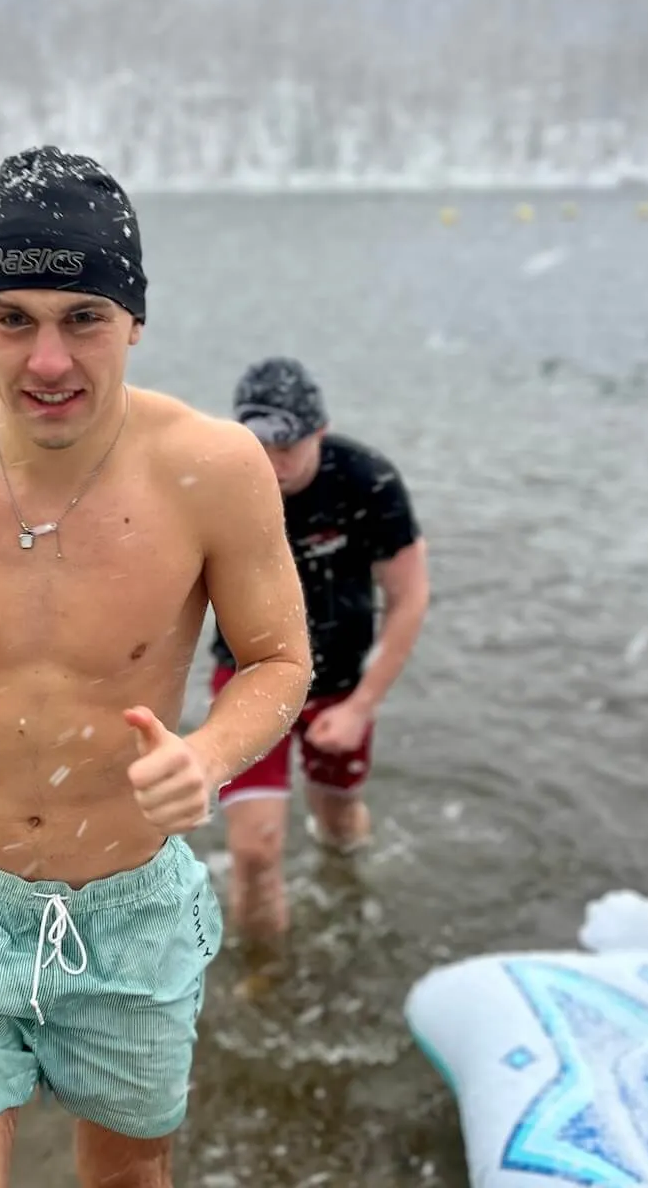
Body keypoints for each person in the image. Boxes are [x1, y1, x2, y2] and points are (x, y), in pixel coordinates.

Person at [0, 145, 311, 1188]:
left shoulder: (213, 468)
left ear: (134, 319)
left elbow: (278, 658)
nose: (47, 360)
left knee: (128, 1179)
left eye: (83, 317)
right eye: (12, 319)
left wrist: (208, 756)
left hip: (129, 910)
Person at [207, 357, 429, 941]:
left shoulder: (367, 481)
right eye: (258, 445)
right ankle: (265, 977)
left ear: (320, 432)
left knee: (340, 825)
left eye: (287, 446)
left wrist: (362, 706)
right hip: (250, 677)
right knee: (255, 852)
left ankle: (350, 908)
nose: (272, 462)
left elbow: (408, 597)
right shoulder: (219, 483)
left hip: (339, 685)